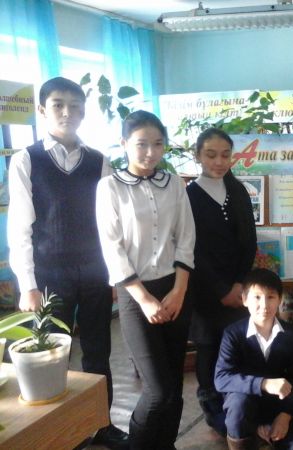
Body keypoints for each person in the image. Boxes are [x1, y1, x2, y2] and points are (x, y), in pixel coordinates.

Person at [7, 76, 128, 449]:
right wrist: (28, 284)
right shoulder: (27, 159)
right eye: (58, 105)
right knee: (49, 356)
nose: (67, 112)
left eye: (75, 106)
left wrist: (115, 276)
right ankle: (58, 434)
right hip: (48, 275)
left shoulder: (98, 161)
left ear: (84, 112)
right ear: (42, 110)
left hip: (94, 273)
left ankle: (101, 425)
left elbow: (110, 224)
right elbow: (20, 227)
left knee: (98, 352)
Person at [95, 110, 196, 449]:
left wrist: (179, 290)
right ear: (124, 143)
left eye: (158, 144)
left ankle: (166, 445)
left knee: (175, 387)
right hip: (135, 294)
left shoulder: (174, 184)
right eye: (141, 144)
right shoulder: (110, 187)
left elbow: (186, 237)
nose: (150, 152)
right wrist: (144, 299)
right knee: (158, 390)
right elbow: (112, 248)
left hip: (175, 288)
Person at [186, 127, 257, 436]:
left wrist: (240, 284)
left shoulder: (238, 190)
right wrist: (220, 290)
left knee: (237, 346)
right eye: (211, 155)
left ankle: (237, 401)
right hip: (205, 291)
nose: (219, 161)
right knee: (209, 347)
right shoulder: (188, 195)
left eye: (225, 155)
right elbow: (192, 249)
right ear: (198, 156)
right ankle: (211, 404)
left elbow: (249, 241)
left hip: (238, 289)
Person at [214, 268, 293, 450]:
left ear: (280, 299)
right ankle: (247, 436)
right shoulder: (233, 334)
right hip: (244, 409)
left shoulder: (290, 334)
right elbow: (222, 378)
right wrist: (263, 384)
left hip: (277, 407)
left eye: (271, 297)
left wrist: (285, 415)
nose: (264, 305)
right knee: (238, 405)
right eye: (257, 297)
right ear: (244, 299)